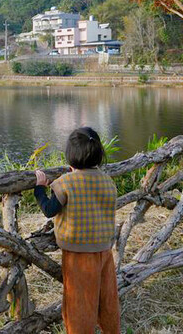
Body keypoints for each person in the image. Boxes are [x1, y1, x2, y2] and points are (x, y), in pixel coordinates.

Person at [34, 127, 120, 334]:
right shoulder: (107, 181)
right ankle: (112, 330)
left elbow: (49, 210)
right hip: (104, 250)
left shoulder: (66, 183)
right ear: (99, 155)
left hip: (77, 253)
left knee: (79, 302)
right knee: (107, 297)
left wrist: (39, 188)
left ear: (70, 157)